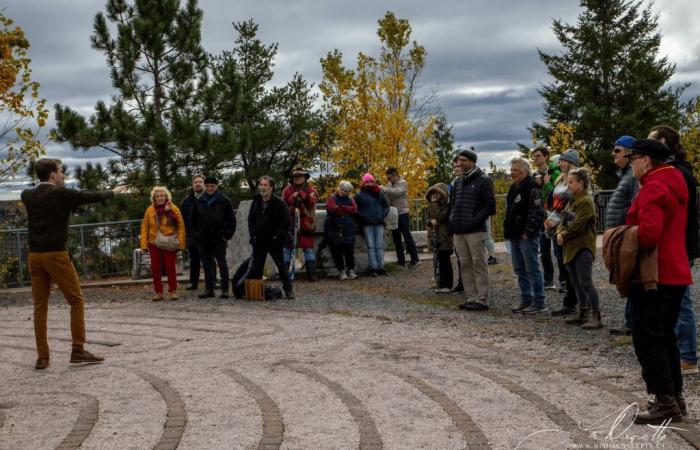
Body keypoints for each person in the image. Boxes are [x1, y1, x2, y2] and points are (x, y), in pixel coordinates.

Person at [21, 158, 126, 370]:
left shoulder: (27, 195)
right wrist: (114, 191)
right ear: (52, 174)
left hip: (35, 256)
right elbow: (91, 197)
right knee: (76, 301)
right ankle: (78, 349)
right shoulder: (60, 193)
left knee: (40, 306)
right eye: (60, 172)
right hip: (56, 255)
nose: (63, 176)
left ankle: (43, 357)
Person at [622, 139, 692, 424]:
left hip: (654, 275)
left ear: (646, 160)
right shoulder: (675, 181)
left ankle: (664, 401)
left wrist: (622, 236)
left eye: (632, 159)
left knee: (648, 338)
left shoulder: (654, 187)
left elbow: (649, 234)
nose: (630, 164)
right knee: (665, 337)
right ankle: (675, 398)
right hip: (675, 271)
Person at [649, 125, 699, 376]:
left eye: (652, 141)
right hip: (680, 244)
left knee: (682, 303)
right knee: (675, 302)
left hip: (681, 245)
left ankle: (689, 357)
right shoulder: (674, 171)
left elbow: (687, 216)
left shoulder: (679, 173)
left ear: (664, 142)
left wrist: (687, 247)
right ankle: (682, 353)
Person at [448, 148, 496, 311]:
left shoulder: (484, 180)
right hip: (459, 231)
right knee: (465, 265)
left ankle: (482, 299)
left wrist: (474, 221)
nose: (460, 163)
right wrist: (452, 223)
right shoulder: (458, 182)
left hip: (475, 231)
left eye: (464, 160)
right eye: (459, 160)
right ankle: (471, 297)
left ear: (472, 162)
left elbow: (490, 206)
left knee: (479, 264)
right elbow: (453, 204)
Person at [556, 169, 601, 329]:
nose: (568, 185)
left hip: (582, 246)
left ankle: (596, 315)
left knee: (586, 282)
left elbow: (577, 226)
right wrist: (559, 232)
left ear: (581, 183)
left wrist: (563, 235)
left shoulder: (586, 201)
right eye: (568, 182)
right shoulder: (572, 200)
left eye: (571, 182)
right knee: (575, 282)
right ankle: (582, 311)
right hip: (570, 246)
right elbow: (563, 220)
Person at [238, 175, 294, 299]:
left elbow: (286, 222)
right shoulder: (256, 202)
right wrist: (253, 236)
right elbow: (251, 220)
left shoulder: (279, 203)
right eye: (261, 185)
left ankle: (288, 289)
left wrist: (277, 236)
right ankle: (257, 290)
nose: (262, 188)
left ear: (271, 188)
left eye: (265, 185)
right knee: (257, 267)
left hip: (274, 240)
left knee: (281, 266)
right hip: (259, 240)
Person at [504, 157, 547, 314]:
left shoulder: (532, 187)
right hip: (514, 235)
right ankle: (526, 298)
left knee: (532, 269)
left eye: (515, 170)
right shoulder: (514, 188)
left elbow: (537, 213)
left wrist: (528, 233)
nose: (512, 173)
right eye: (512, 170)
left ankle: (539, 302)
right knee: (519, 269)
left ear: (524, 171)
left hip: (526, 236)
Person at [604, 136, 638, 336]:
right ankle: (630, 320)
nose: (613, 154)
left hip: (626, 234)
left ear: (628, 152)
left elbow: (634, 205)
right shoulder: (626, 175)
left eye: (617, 150)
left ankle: (632, 322)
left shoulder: (633, 176)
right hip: (619, 233)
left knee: (631, 277)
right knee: (627, 278)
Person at [545, 149, 579, 316]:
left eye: (563, 161)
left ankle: (575, 301)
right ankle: (570, 301)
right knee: (562, 263)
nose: (560, 164)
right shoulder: (559, 179)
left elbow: (575, 206)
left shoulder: (577, 180)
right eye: (560, 161)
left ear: (571, 162)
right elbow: (553, 201)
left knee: (571, 265)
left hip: (567, 225)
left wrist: (559, 221)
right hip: (555, 224)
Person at [192, 176, 236, 299]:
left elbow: (231, 221)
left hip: (219, 238)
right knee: (206, 265)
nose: (210, 188)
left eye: (212, 186)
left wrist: (225, 235)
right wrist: (197, 235)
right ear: (205, 187)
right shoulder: (199, 201)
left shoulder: (224, 200)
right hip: (203, 239)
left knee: (222, 263)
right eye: (208, 186)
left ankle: (225, 289)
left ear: (217, 186)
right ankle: (209, 289)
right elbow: (193, 221)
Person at [140, 186, 186, 301]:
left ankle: (173, 291)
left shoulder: (173, 208)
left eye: (162, 196)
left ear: (166, 196)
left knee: (170, 267)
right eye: (157, 196)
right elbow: (144, 227)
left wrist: (181, 244)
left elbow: (180, 227)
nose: (160, 198)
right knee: (155, 268)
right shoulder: (149, 210)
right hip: (153, 242)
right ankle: (158, 292)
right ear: (154, 198)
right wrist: (144, 245)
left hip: (169, 242)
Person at [282, 168, 319, 281]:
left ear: (305, 177)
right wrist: (292, 197)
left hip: (306, 223)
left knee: (308, 248)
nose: (298, 178)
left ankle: (311, 275)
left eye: (300, 176)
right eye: (296, 176)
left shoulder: (311, 190)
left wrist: (302, 194)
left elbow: (312, 203)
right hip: (290, 222)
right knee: (287, 248)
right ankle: (284, 274)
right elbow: (282, 204)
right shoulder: (287, 190)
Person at [532, 146, 560, 290]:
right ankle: (548, 279)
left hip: (555, 214)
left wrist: (548, 183)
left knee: (558, 249)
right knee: (543, 249)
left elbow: (556, 195)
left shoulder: (555, 173)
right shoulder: (534, 175)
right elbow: (534, 196)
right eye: (534, 156)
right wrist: (535, 186)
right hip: (541, 215)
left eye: (538, 156)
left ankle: (564, 280)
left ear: (546, 157)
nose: (535, 159)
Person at [382, 167, 420, 267]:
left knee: (407, 237)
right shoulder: (389, 184)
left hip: (403, 213)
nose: (388, 179)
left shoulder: (403, 183)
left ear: (395, 175)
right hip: (393, 214)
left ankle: (415, 259)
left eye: (390, 177)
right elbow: (387, 194)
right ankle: (401, 261)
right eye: (387, 178)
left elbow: (397, 192)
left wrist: (384, 189)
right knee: (396, 239)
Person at [354, 173, 390, 276]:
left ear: (373, 182)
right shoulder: (359, 195)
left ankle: (381, 267)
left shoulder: (379, 194)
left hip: (379, 223)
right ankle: (373, 268)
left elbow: (386, 206)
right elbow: (354, 209)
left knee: (379, 245)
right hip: (367, 224)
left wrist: (382, 215)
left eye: (371, 181)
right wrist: (363, 217)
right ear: (364, 183)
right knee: (371, 246)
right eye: (367, 182)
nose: (369, 183)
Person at [325, 180, 359, 280]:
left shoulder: (350, 199)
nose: (343, 192)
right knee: (337, 251)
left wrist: (342, 208)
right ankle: (342, 271)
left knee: (349, 251)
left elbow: (354, 209)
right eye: (342, 189)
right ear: (339, 188)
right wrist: (345, 210)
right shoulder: (332, 198)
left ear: (348, 192)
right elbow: (331, 209)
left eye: (346, 191)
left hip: (348, 229)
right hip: (335, 229)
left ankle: (351, 270)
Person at [426, 182, 453, 293]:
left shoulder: (447, 206)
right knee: (438, 261)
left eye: (437, 194)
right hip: (436, 237)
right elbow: (430, 218)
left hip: (445, 237)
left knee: (445, 261)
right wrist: (430, 222)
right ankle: (440, 283)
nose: (434, 196)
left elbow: (440, 217)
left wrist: (434, 204)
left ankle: (447, 285)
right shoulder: (433, 205)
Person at [180, 174, 205, 291]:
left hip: (206, 234)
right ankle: (193, 282)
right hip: (192, 235)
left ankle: (213, 281)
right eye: (196, 182)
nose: (198, 184)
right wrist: (187, 233)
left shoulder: (209, 198)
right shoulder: (186, 201)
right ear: (193, 184)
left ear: (203, 184)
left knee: (208, 259)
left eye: (200, 182)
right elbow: (182, 219)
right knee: (193, 260)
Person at [449, 155, 464, 294]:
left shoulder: (465, 182)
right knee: (459, 256)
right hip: (456, 223)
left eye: (458, 166)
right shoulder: (454, 183)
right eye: (454, 167)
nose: (456, 169)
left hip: (468, 224)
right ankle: (461, 282)